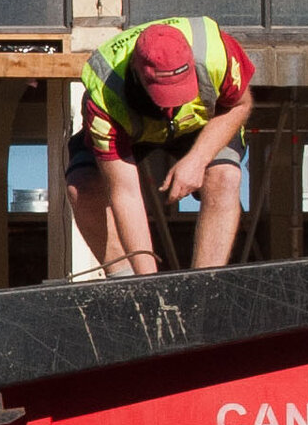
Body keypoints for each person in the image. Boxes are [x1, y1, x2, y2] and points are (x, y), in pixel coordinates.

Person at [69, 16, 256, 276]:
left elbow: (241, 105)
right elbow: (126, 194)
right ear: (137, 71)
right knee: (82, 186)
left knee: (225, 176)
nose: (171, 104)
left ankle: (202, 289)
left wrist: (197, 159)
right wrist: (150, 285)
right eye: (164, 94)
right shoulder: (104, 94)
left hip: (201, 121)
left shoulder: (218, 52)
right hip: (133, 128)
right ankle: (129, 286)